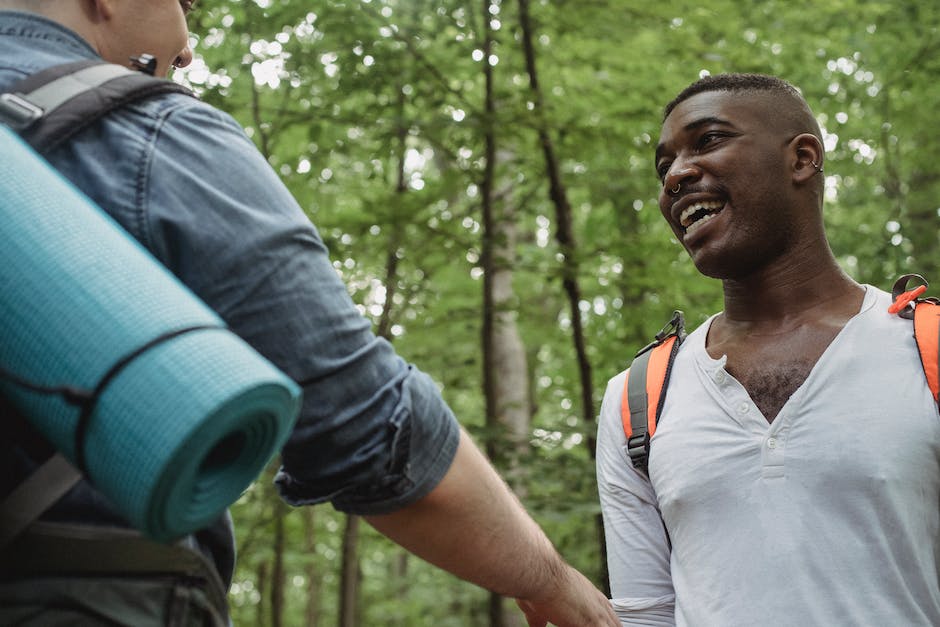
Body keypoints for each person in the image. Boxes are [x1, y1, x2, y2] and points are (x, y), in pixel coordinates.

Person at [0, 2, 619, 625]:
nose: (186, 48)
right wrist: (552, 581)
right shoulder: (147, 133)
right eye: (184, 3)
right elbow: (370, 430)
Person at [596, 73, 940, 625]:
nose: (677, 175)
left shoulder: (927, 351)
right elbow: (644, 613)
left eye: (708, 140)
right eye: (665, 167)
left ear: (802, 158)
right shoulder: (637, 400)